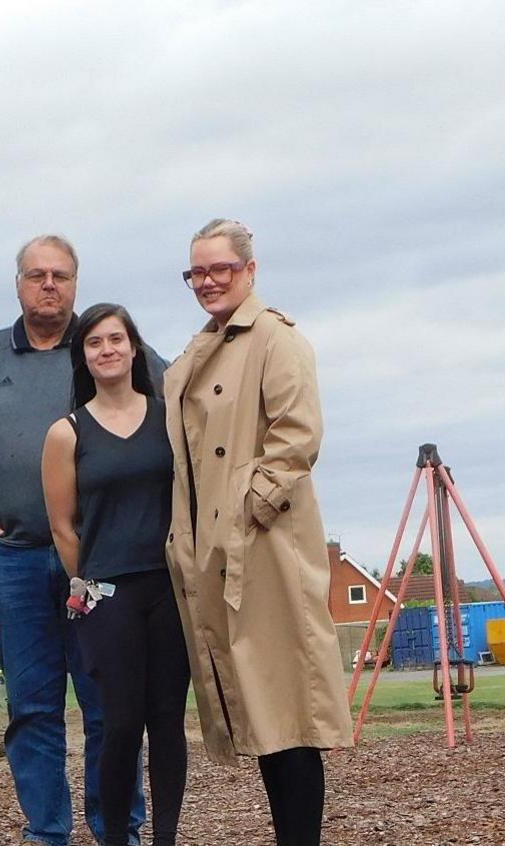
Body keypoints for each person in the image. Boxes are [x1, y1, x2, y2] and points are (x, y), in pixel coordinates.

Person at [0, 235, 151, 846]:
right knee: (33, 710)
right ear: (18, 284)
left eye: (61, 275)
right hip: (15, 560)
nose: (49, 285)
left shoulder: (105, 344)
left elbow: (169, 414)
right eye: (37, 275)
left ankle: (117, 832)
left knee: (109, 706)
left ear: (76, 283)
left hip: (99, 560)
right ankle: (47, 833)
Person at [163, 219, 353, 846]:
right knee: (262, 715)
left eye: (221, 268)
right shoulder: (197, 351)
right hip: (214, 553)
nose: (208, 281)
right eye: (197, 272)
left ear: (250, 270)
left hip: (265, 551)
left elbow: (297, 437)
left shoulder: (275, 337)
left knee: (286, 711)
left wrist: (246, 512)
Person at [43, 303, 190, 846]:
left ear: (134, 347)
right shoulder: (66, 432)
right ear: (82, 355)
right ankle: (113, 838)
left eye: (116, 340)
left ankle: (166, 837)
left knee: (168, 721)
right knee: (120, 724)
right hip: (109, 595)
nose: (107, 350)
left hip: (169, 589)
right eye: (94, 343)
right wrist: (89, 585)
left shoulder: (168, 417)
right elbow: (62, 525)